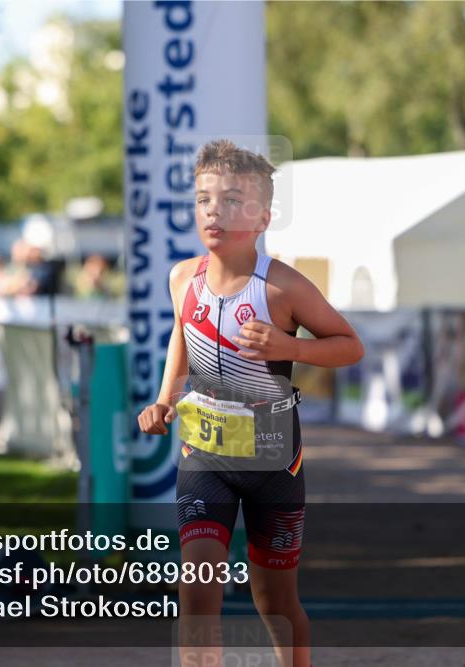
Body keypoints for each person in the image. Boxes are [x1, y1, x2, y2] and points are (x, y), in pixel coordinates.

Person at [137, 140, 364, 667]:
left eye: (233, 199)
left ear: (262, 217)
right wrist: (165, 398)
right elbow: (182, 331)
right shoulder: (181, 279)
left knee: (275, 602)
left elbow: (350, 345)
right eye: (204, 199)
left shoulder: (282, 286)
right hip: (204, 457)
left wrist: (291, 348)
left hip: (272, 462)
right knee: (196, 596)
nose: (214, 210)